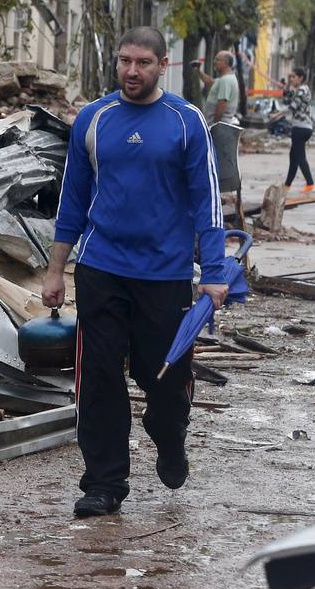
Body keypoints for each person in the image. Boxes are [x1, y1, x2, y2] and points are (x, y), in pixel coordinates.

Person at [42, 26, 227, 519]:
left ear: (162, 64)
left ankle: (169, 437)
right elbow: (73, 200)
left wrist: (214, 271)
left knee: (163, 378)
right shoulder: (93, 119)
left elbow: (207, 203)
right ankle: (104, 483)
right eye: (124, 61)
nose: (131, 71)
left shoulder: (185, 122)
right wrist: (55, 270)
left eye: (143, 62)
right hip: (102, 268)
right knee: (98, 378)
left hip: (165, 275)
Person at [274, 67, 315, 193]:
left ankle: (310, 184)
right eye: (290, 77)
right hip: (303, 127)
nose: (291, 79)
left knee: (300, 157)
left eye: (293, 77)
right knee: (294, 156)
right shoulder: (302, 90)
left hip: (301, 128)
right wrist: (285, 88)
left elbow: (293, 106)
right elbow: (289, 97)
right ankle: (287, 185)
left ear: (301, 78)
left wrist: (277, 115)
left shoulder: (302, 90)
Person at [194, 50, 240, 126]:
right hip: (219, 125)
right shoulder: (226, 78)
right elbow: (210, 82)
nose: (214, 62)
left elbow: (222, 104)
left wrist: (215, 125)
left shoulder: (226, 81)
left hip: (218, 127)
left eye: (217, 60)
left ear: (226, 63)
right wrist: (198, 71)